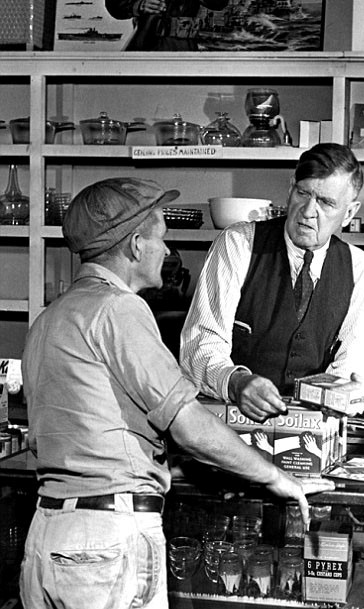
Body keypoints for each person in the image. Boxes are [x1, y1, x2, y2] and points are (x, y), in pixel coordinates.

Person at [19, 177, 333, 609]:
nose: (166, 253)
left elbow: (92, 425)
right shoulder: (120, 309)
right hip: (106, 541)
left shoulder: (49, 318)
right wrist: (274, 476)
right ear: (134, 246)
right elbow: (190, 426)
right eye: (160, 239)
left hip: (47, 534)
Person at [180, 143, 364, 423]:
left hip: (310, 427)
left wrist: (340, 393)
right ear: (290, 189)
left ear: (349, 213)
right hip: (230, 422)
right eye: (303, 193)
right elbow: (200, 344)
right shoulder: (238, 243)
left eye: (326, 202)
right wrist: (236, 382)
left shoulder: (358, 267)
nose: (308, 211)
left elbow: (358, 363)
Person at [105, 0, 229, 51]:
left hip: (183, 46)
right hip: (146, 41)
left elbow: (218, 2)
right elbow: (115, 4)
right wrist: (140, 5)